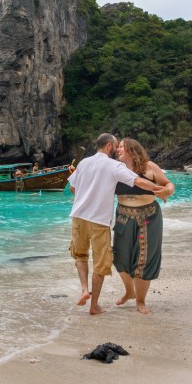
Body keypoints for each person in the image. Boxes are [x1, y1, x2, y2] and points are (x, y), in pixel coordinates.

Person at [67, 133, 163, 315]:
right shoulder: (114, 165)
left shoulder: (84, 163)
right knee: (101, 264)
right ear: (109, 146)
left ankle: (84, 289)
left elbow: (73, 187)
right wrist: (157, 189)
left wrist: (88, 192)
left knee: (80, 255)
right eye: (116, 146)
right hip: (99, 220)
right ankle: (94, 305)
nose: (118, 150)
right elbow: (137, 180)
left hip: (78, 217)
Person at [112, 138, 174, 315]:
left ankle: (140, 301)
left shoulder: (149, 167)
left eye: (122, 147)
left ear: (132, 150)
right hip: (123, 216)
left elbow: (168, 184)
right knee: (119, 257)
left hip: (149, 216)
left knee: (144, 259)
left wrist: (168, 190)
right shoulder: (116, 169)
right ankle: (129, 291)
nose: (118, 150)